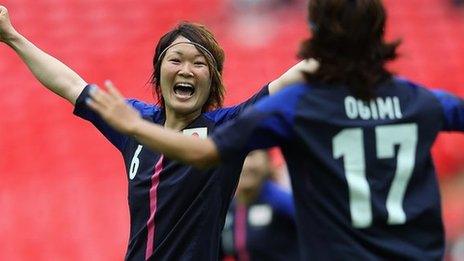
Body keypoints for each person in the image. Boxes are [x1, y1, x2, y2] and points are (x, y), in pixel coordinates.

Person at [84, 0, 464, 259]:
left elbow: (202, 151)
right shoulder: (421, 101)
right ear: (381, 33)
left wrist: (134, 127)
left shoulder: (296, 107)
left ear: (316, 35)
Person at [0, 6, 318, 261]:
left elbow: (290, 80)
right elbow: (70, 85)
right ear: (159, 71)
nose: (186, 70)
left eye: (199, 63)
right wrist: (12, 36)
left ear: (213, 80)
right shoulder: (133, 120)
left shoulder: (226, 129)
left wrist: (344, 51)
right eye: (176, 60)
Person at [221, 150, 299, 261]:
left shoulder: (282, 201)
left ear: (268, 161)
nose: (247, 164)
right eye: (241, 156)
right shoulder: (226, 207)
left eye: (252, 155)